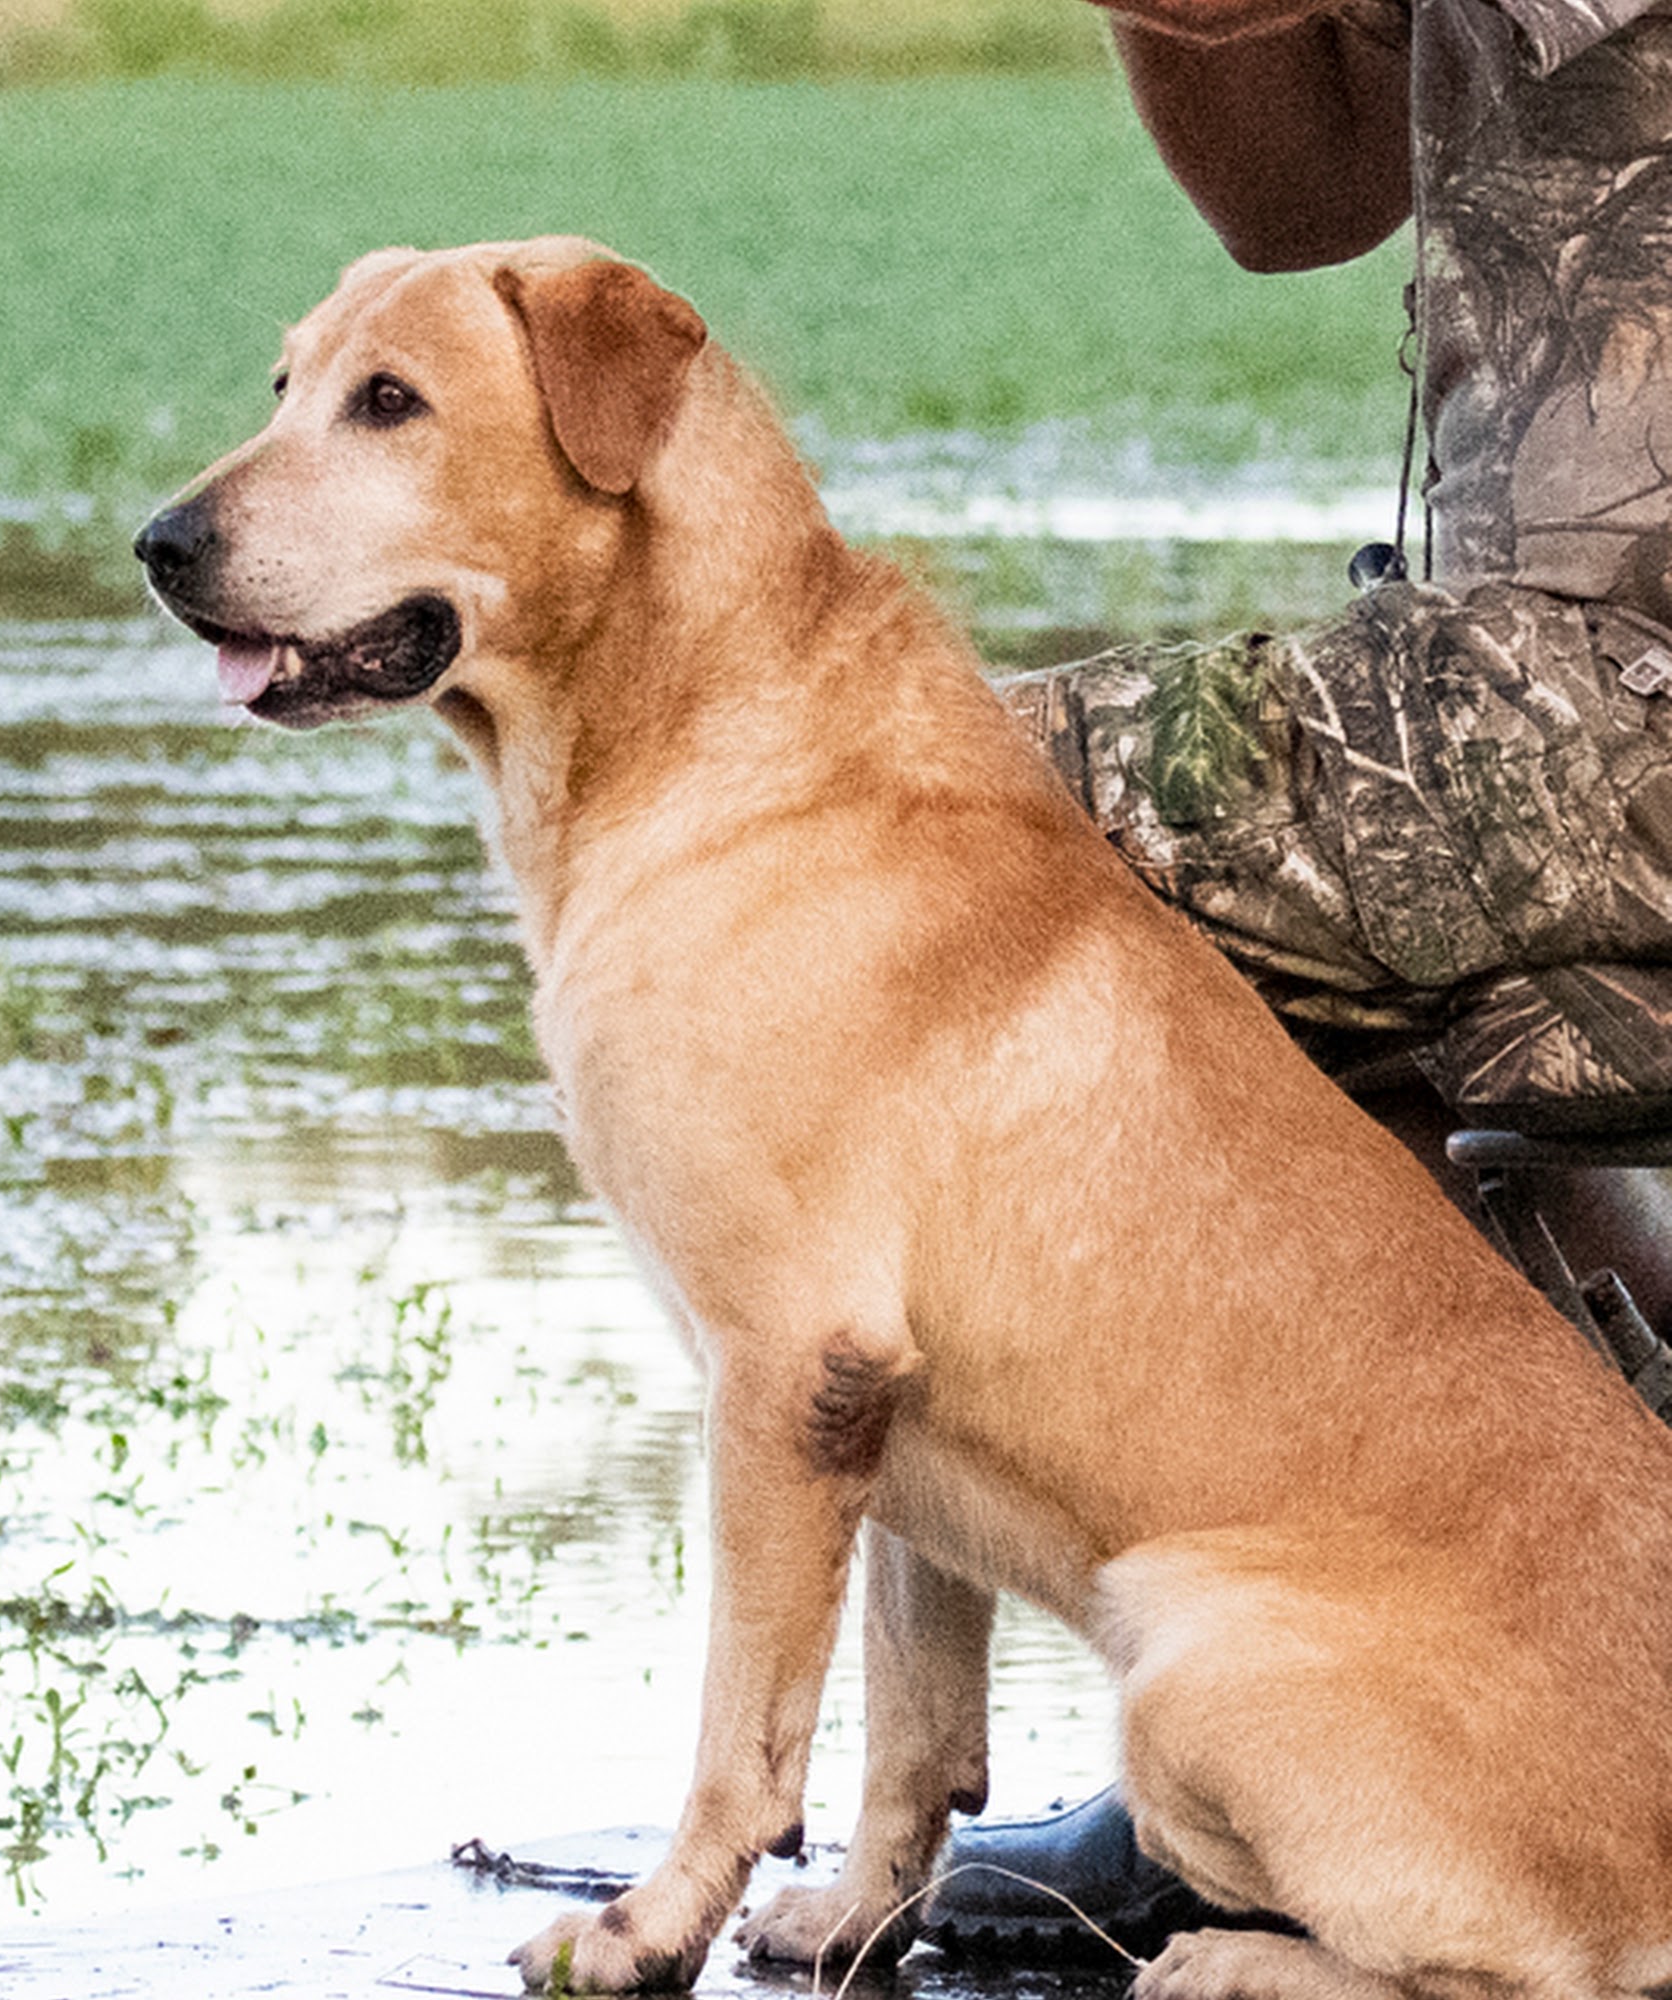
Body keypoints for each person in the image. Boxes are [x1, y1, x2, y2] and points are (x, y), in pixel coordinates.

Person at [926, 0, 1672, 1959]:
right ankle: (1389, 1735)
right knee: (1317, 935)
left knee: (926, 836)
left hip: (1613, 714)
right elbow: (1297, 191)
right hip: (1560, 711)